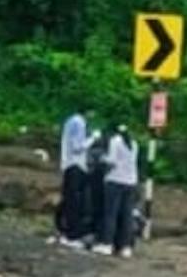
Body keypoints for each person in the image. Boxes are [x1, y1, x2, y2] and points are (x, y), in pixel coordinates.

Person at [100, 123, 141, 257]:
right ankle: (126, 247)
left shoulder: (115, 141)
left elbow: (112, 161)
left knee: (111, 214)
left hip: (115, 180)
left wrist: (102, 159)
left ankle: (107, 244)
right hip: (130, 182)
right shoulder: (134, 143)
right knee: (126, 215)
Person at [57, 104, 93, 245]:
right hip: (76, 165)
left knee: (68, 200)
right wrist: (92, 139)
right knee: (75, 202)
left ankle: (65, 232)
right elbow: (78, 147)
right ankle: (72, 235)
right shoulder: (79, 123)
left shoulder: (70, 121)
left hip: (68, 164)